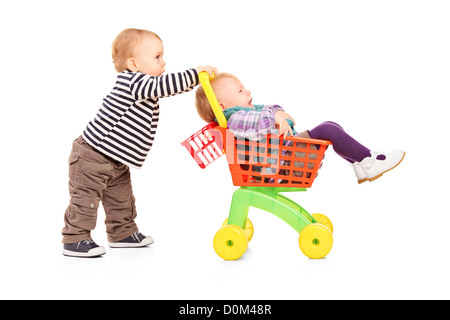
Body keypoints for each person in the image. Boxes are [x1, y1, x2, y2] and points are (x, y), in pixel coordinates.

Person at [62, 28, 217, 257]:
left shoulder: (143, 86)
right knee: (86, 201)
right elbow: (166, 85)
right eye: (157, 57)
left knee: (121, 198)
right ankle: (75, 238)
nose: (163, 63)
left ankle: (122, 233)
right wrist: (195, 74)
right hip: (92, 155)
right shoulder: (134, 82)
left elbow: (167, 87)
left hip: (115, 159)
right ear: (133, 64)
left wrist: (193, 82)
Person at [195, 72, 405, 184]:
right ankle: (369, 161)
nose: (248, 91)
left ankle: (361, 163)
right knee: (327, 130)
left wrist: (277, 114)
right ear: (222, 106)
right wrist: (276, 116)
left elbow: (271, 110)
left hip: (286, 154)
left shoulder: (248, 112)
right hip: (282, 165)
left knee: (330, 126)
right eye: (241, 91)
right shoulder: (235, 120)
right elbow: (262, 121)